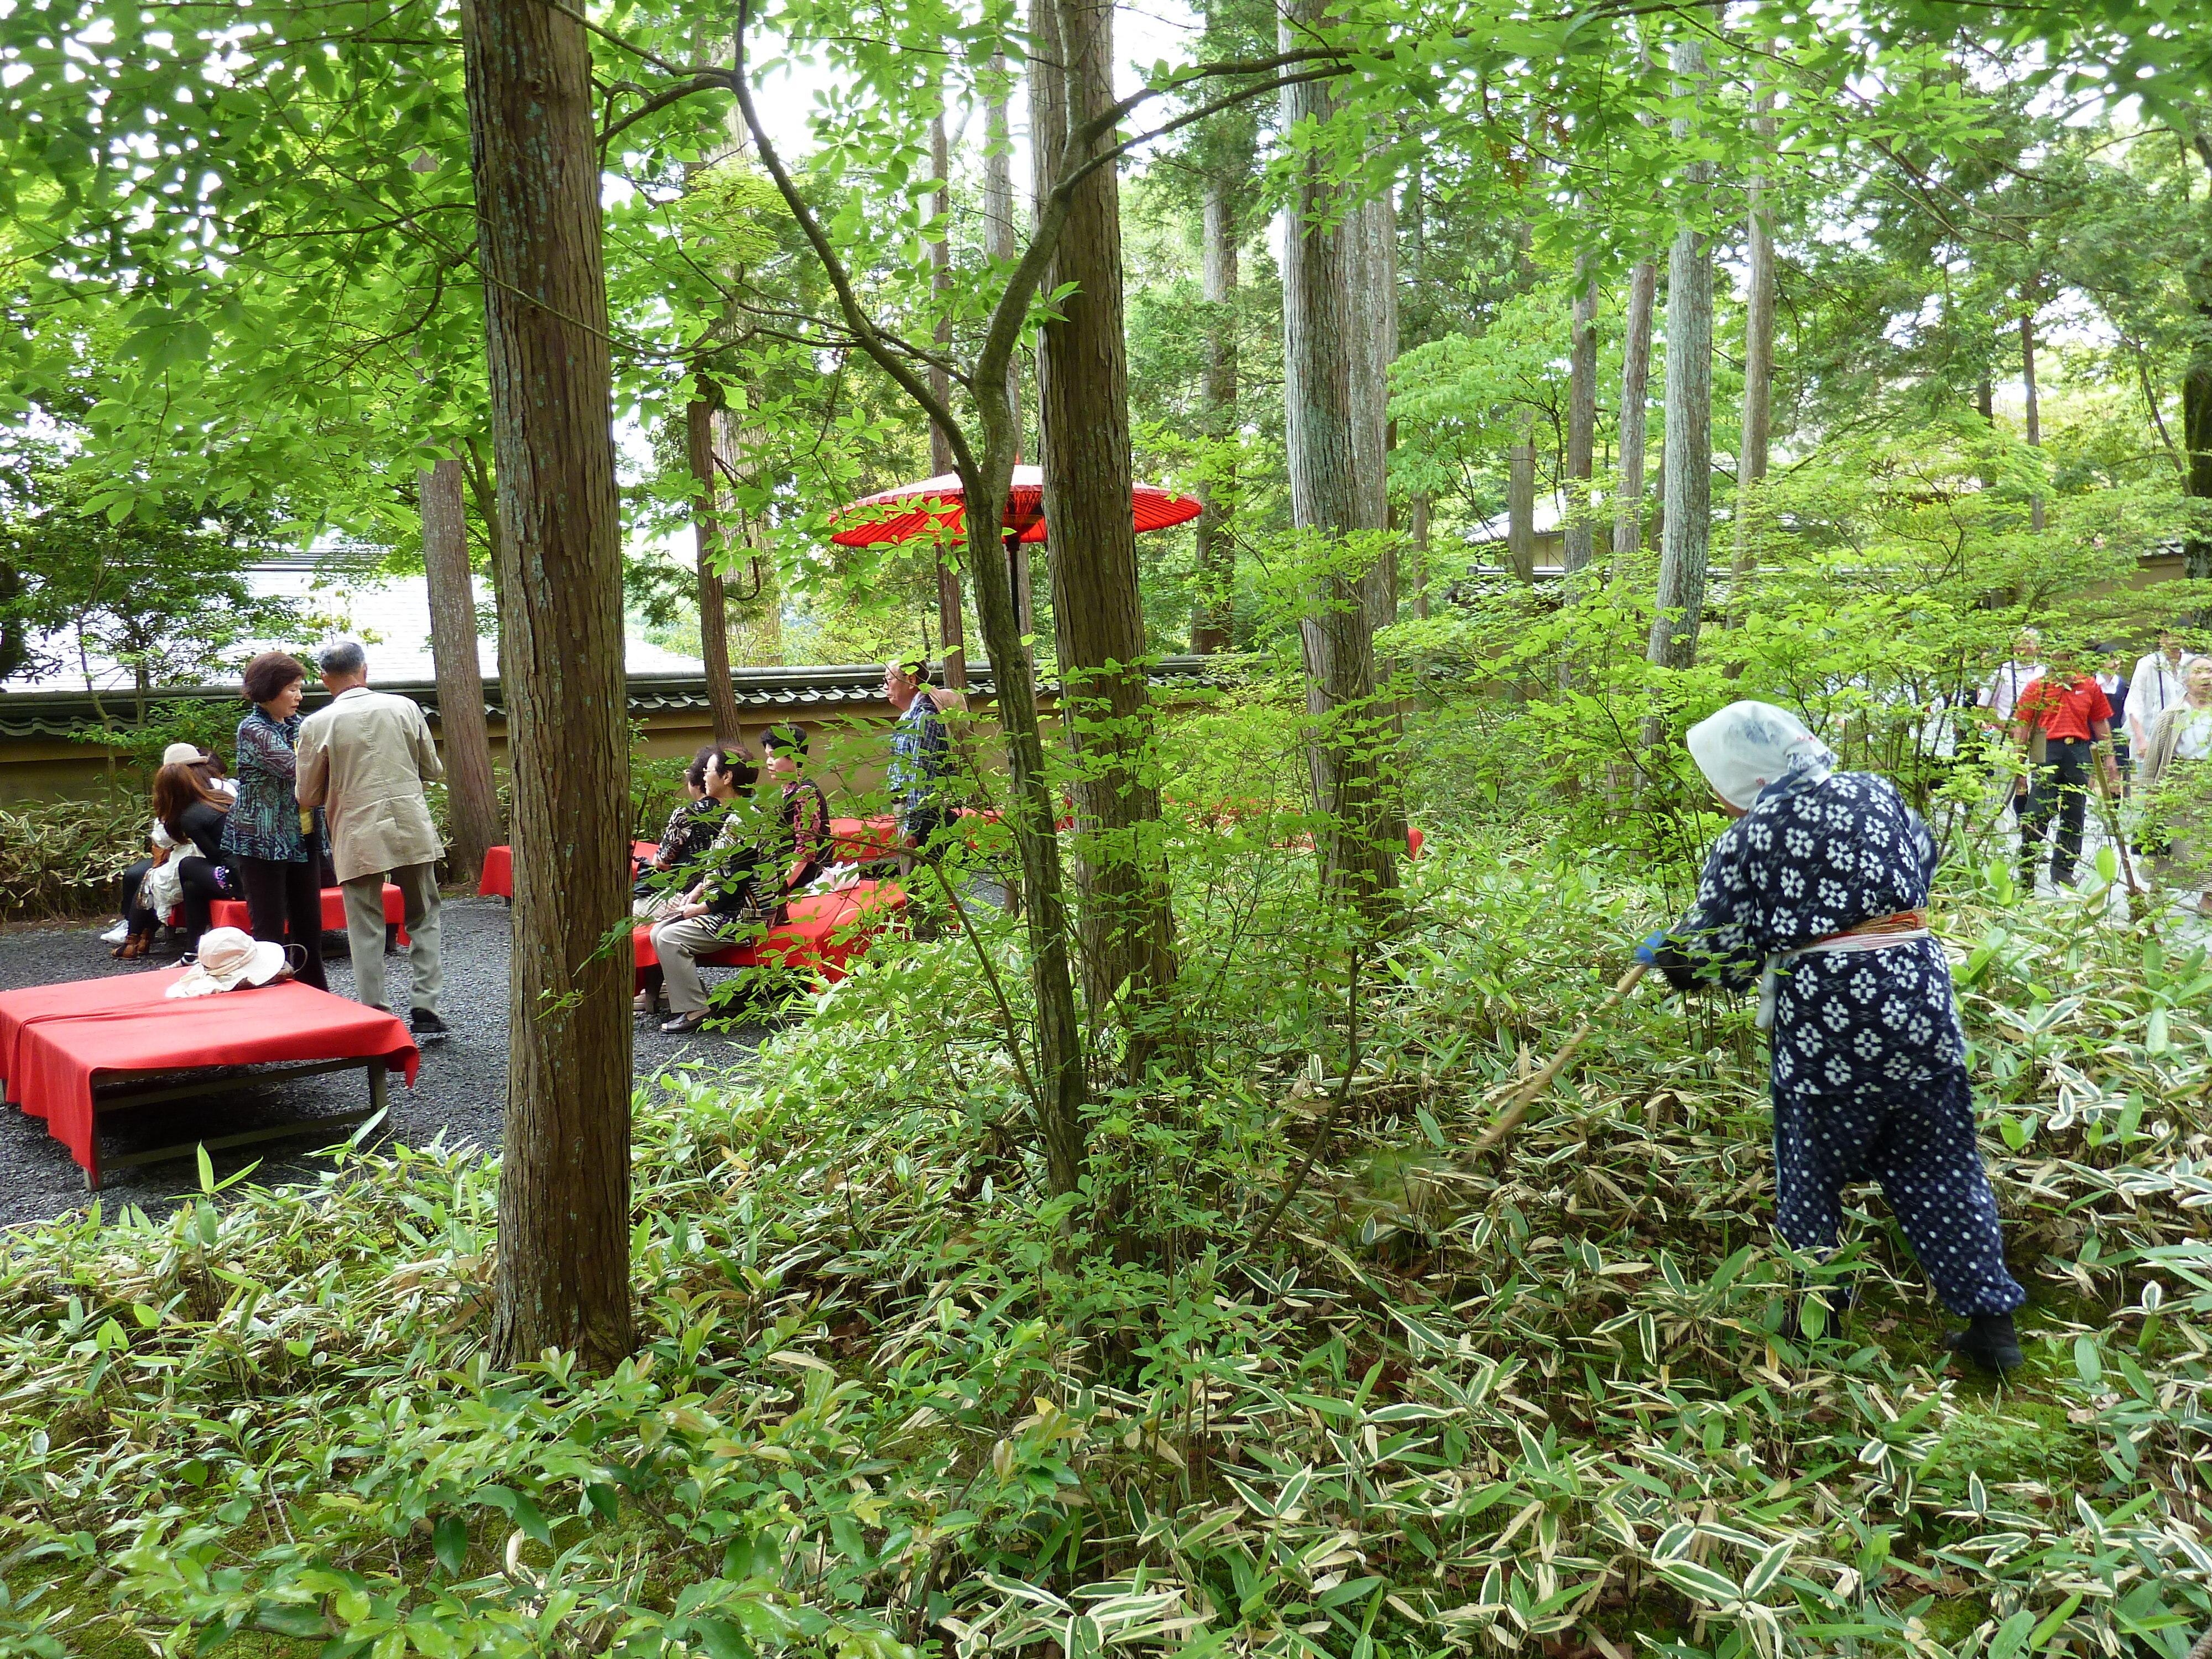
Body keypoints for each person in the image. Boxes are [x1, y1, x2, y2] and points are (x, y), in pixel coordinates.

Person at [1636, 701, 2025, 1372]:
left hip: (1829, 1027)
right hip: (1920, 1001)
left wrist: (1669, 957)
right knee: (1942, 1165)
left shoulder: (1750, 837)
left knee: (1811, 1177)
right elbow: (1921, 860)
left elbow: (1715, 954)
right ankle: (1993, 1328)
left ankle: (1815, 1325)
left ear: (1744, 774)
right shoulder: (1875, 791)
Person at [295, 637, 448, 1041]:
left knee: (364, 925)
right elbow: (433, 769)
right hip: (408, 820)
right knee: (424, 915)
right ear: (365, 670)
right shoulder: (404, 707)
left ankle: (375, 1014)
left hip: (355, 828)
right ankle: (426, 1007)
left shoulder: (315, 724)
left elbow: (308, 796)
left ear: (325, 679)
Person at [220, 651, 330, 992]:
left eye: (300, 689)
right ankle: (270, 999)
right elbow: (296, 768)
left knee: (309, 924)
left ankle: (316, 995)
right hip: (261, 840)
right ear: (270, 690)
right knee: (268, 929)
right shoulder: (252, 728)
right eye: (292, 688)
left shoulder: (301, 726)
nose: (299, 696)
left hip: (303, 836)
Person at [645, 748, 767, 1034]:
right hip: (732, 905)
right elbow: (724, 866)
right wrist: (698, 890)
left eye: (708, 771)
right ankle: (696, 1001)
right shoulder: (741, 814)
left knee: (670, 937)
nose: (703, 775)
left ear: (727, 777)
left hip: (748, 913)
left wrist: (701, 908)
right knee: (658, 931)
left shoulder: (745, 819)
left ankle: (696, 1010)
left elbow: (739, 879)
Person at [2010, 649, 2122, 891]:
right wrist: (2018, 764)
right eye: (2061, 657)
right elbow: (2023, 726)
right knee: (2039, 808)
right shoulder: (2037, 687)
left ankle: (2064, 868)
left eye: (2071, 657)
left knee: (2075, 810)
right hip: (2045, 746)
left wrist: (2110, 758)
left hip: (2079, 748)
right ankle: (2028, 863)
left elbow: (2100, 722)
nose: (2066, 663)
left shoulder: (2089, 686)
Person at [2138, 658, 2212, 917]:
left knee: (2209, 842)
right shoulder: (2172, 714)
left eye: (2210, 671)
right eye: (2199, 672)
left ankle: (2209, 898)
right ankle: (2157, 891)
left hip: (2209, 782)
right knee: (2169, 841)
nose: (2206, 677)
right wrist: (2150, 791)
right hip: (2177, 782)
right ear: (2185, 679)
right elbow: (2154, 756)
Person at [149, 761, 236, 938]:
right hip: (257, 870)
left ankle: (193, 948)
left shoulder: (190, 818)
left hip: (238, 881)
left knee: (187, 865)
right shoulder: (220, 797)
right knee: (192, 886)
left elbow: (216, 857)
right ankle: (192, 952)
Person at [882, 658, 951, 872]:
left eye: (888, 679)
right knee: (912, 881)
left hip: (918, 812)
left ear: (911, 680)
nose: (884, 686)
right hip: (908, 810)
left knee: (918, 883)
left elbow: (922, 774)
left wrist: (913, 826)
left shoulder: (925, 717)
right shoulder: (910, 716)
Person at [760, 722, 833, 902]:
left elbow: (805, 852)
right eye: (767, 756)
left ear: (792, 757)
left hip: (810, 881)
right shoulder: (789, 791)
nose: (768, 762)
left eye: (773, 756)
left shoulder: (804, 793)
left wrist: (779, 893)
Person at [2127, 628, 2200, 755]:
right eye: (2167, 636)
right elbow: (2135, 703)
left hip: (2189, 741)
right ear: (2160, 639)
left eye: (2177, 635)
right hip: (2151, 739)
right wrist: (2141, 740)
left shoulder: (2193, 664)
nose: (2172, 641)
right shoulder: (2148, 664)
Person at [2093, 644, 2131, 785]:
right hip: (2091, 737)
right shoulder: (2090, 684)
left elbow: (2127, 716)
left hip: (2117, 737)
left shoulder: (2125, 687)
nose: (2115, 663)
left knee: (2116, 781)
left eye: (2118, 658)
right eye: (2111, 659)